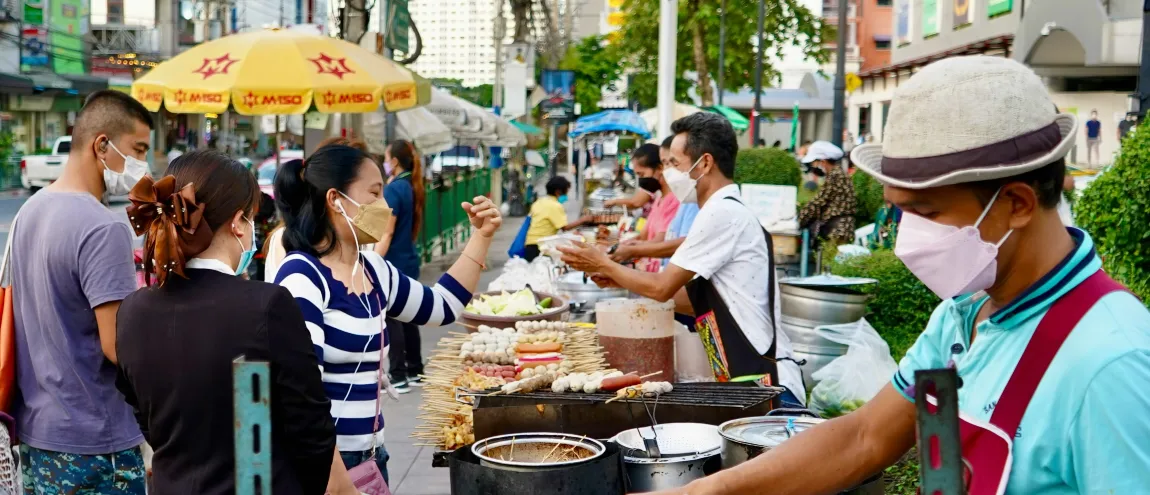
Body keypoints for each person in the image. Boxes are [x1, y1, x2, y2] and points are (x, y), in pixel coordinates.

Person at [647, 55, 1150, 495]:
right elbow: (865, 437)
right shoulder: (964, 314)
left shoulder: (1109, 364)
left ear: (1017, 203)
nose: (909, 239)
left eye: (926, 212)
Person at [273, 144, 501, 488]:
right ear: (336, 200)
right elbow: (300, 398)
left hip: (372, 459)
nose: (385, 206)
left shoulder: (374, 270)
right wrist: (340, 485)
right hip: (324, 467)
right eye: (374, 193)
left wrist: (481, 236)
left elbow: (441, 306)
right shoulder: (302, 277)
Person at [116, 150, 335, 495]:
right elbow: (311, 429)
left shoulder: (131, 312)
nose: (252, 231)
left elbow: (148, 420)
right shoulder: (266, 306)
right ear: (237, 222)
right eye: (251, 219)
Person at [559, 113, 806, 408]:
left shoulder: (722, 213)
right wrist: (617, 277)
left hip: (769, 388)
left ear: (704, 163)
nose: (667, 174)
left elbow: (663, 287)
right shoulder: (722, 210)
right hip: (749, 380)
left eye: (674, 164)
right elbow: (692, 298)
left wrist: (603, 263)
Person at [10, 90, 151, 492]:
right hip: (95, 444)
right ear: (102, 145)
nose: (142, 165)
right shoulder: (102, 227)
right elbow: (118, 347)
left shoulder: (29, 211)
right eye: (137, 150)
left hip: (38, 438)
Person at [373, 140, 427, 393]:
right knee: (409, 316)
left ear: (393, 161)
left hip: (393, 260)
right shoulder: (411, 185)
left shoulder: (394, 189)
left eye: (386, 157)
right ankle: (415, 369)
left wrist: (372, 261)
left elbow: (387, 232)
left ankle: (398, 375)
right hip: (408, 258)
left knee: (392, 317)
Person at [798, 140, 857, 246]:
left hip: (838, 231)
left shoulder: (836, 176)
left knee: (831, 261)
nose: (813, 166)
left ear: (823, 161)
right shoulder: (836, 174)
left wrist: (799, 219)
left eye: (814, 162)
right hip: (838, 229)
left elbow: (818, 202)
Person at [523, 176, 590, 262]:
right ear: (558, 191)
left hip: (529, 244)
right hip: (541, 246)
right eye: (566, 192)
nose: (566, 195)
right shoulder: (555, 206)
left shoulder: (539, 202)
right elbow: (564, 227)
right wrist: (584, 220)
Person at [604, 145, 661, 210]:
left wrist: (614, 202)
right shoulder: (652, 186)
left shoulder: (651, 186)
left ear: (659, 168)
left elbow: (635, 203)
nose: (640, 178)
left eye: (641, 174)